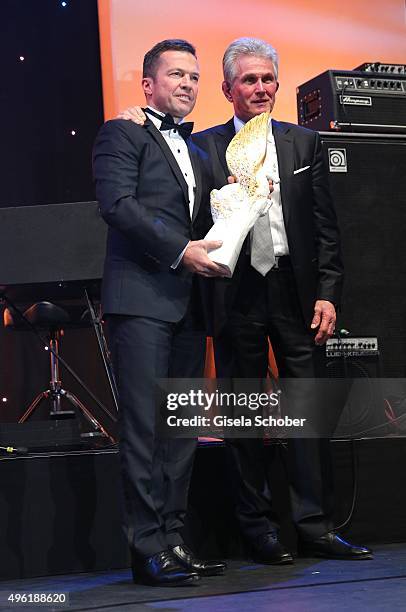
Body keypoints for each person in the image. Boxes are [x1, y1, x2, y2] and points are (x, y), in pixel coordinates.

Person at [117, 37, 372, 563]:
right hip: (232, 290)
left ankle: (314, 526)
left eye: (267, 79)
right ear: (227, 88)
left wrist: (328, 293)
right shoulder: (202, 146)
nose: (260, 88)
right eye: (249, 80)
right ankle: (258, 529)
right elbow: (166, 170)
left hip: (295, 289)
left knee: (305, 411)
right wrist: (134, 118)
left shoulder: (305, 144)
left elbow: (327, 229)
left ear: (277, 84)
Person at [93, 39, 226, 586]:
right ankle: (146, 549)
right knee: (147, 429)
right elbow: (117, 205)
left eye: (194, 77)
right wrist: (179, 250)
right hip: (142, 299)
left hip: (189, 307)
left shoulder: (197, 155)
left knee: (182, 430)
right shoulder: (120, 132)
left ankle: (173, 540)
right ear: (147, 84)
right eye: (176, 74)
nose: (188, 84)